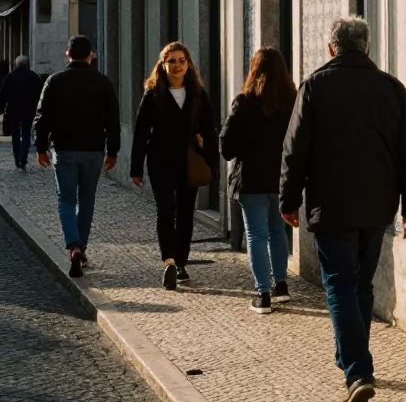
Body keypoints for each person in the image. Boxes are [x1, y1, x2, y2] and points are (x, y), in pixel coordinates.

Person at [280, 16, 406, 402]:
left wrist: (288, 199)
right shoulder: (391, 88)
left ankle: (357, 371)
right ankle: (352, 358)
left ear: (332, 48)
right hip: (378, 206)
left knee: (341, 286)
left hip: (332, 206)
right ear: (366, 47)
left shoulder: (315, 86)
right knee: (361, 285)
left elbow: (295, 151)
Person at [130, 42, 218, 290]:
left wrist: (212, 163)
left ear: (188, 64)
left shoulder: (198, 94)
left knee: (186, 213)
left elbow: (210, 131)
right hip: (160, 160)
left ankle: (181, 262)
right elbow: (140, 134)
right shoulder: (153, 95)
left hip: (189, 161)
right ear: (163, 64)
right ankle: (168, 260)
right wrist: (136, 168)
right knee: (166, 210)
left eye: (181, 60)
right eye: (172, 61)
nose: (177, 65)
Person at [33, 35, 121, 278]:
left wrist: (40, 148)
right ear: (90, 55)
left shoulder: (54, 81)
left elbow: (42, 118)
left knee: (66, 200)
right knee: (87, 199)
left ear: (67, 55)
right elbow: (112, 120)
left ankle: (73, 246)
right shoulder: (103, 82)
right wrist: (113, 150)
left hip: (64, 149)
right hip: (93, 151)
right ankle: (81, 247)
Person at [220, 47, 297, 314]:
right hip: (282, 180)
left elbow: (227, 148)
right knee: (278, 231)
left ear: (254, 70)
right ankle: (282, 287)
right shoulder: (293, 103)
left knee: (256, 235)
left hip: (252, 180)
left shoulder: (244, 103)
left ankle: (263, 294)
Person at [1, 54, 43, 170]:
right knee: (26, 133)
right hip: (29, 110)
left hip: (13, 110)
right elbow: (39, 94)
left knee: (15, 135)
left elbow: (3, 94)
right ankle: (23, 158)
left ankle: (17, 158)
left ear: (16, 64)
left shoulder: (10, 77)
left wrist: (2, 108)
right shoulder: (33, 77)